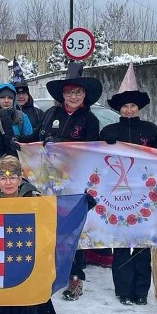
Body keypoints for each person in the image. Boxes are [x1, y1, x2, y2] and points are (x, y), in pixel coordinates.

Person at [0, 155, 67, 314]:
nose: (8, 182)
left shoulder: (34, 198)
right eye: (3, 178)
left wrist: (83, 205)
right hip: (4, 252)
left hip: (29, 250)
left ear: (20, 178)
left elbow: (54, 219)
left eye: (12, 177)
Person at [100, 62, 157, 306]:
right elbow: (97, 160)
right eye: (125, 105)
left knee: (143, 244)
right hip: (119, 195)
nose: (128, 109)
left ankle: (140, 291)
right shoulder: (108, 130)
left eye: (132, 105)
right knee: (122, 243)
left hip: (145, 193)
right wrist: (106, 143)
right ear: (119, 108)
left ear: (139, 107)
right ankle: (123, 290)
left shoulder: (150, 129)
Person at [40, 61, 101, 301]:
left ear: (84, 95)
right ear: (62, 95)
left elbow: (91, 153)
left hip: (76, 186)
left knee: (73, 232)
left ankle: (76, 278)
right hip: (49, 184)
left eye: (77, 92)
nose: (73, 96)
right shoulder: (51, 114)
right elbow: (37, 138)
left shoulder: (89, 120)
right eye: (69, 92)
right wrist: (21, 141)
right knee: (51, 230)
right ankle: (51, 272)